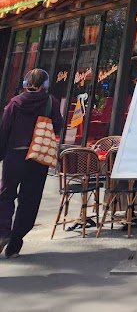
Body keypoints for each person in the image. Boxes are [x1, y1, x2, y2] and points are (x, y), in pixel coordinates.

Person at [0, 68, 63, 257]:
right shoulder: (51, 102)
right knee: (30, 199)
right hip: (37, 157)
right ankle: (16, 241)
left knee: (6, 195)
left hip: (15, 155)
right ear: (46, 84)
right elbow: (57, 126)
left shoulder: (15, 103)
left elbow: (4, 129)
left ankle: (2, 232)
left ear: (26, 84)